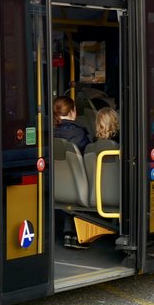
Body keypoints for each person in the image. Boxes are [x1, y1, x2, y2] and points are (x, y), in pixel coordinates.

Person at [53, 95, 90, 249]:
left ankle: (69, 232)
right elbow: (88, 158)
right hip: (77, 187)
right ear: (73, 112)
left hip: (56, 187)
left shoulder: (50, 134)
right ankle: (76, 233)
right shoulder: (79, 134)